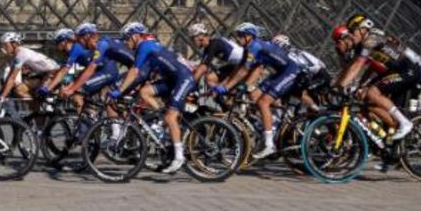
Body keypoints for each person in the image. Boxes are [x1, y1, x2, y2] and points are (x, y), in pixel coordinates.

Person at [113, 22, 195, 173]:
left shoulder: (145, 46)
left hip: (183, 78)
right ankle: (163, 118)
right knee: (145, 92)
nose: (125, 42)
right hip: (172, 80)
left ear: (136, 36)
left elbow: (134, 71)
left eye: (127, 38)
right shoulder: (148, 47)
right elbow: (144, 76)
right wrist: (129, 91)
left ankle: (179, 156)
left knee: (170, 117)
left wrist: (120, 90)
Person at [214, 22, 302, 159]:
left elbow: (244, 71)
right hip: (280, 72)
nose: (238, 39)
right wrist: (231, 85)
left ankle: (269, 144)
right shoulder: (250, 48)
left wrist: (226, 87)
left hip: (290, 71)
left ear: (249, 36)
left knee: (263, 103)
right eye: (237, 36)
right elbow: (242, 69)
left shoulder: (255, 46)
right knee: (253, 96)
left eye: (240, 36)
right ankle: (269, 123)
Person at [332, 14, 414, 141]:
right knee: (366, 99)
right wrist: (339, 84)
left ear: (363, 29)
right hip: (393, 71)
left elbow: (364, 67)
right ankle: (385, 135)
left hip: (407, 70)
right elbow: (349, 69)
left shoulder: (370, 39)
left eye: (352, 32)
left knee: (371, 93)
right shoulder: (360, 45)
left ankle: (402, 124)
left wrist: (346, 86)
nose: (338, 45)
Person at [59, 23, 134, 99]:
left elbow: (85, 68)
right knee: (107, 101)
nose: (79, 42)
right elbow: (77, 68)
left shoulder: (100, 45)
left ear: (87, 36)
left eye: (79, 39)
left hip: (113, 71)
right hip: (121, 70)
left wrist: (70, 87)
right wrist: (67, 83)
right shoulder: (94, 47)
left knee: (79, 92)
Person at [0, 31, 60, 106]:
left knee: (39, 94)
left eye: (5, 45)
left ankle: (45, 109)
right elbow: (9, 76)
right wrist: (1, 93)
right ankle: (37, 112)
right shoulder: (15, 56)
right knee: (19, 90)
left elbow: (12, 78)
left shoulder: (21, 54)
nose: (4, 48)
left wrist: (2, 96)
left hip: (54, 72)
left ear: (14, 44)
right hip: (43, 74)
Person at [272, 34, 330, 110]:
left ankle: (318, 111)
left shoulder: (289, 54)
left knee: (301, 93)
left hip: (319, 75)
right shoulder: (293, 51)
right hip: (311, 74)